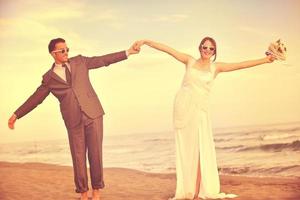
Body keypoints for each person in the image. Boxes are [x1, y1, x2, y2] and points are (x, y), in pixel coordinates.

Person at [137, 37, 276, 199]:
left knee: (200, 150)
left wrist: (266, 60)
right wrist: (146, 42)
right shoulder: (189, 61)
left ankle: (196, 193)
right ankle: (189, 189)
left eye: (211, 49)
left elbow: (241, 65)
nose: (207, 51)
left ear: (214, 51)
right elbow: (168, 49)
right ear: (200, 48)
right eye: (205, 47)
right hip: (183, 109)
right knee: (188, 150)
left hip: (200, 112)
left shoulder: (216, 67)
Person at [8, 38, 140, 200]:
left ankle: (96, 191)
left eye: (67, 49)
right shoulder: (49, 78)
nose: (66, 53)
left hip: (93, 114)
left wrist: (127, 52)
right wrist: (16, 114)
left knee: (96, 154)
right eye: (62, 50)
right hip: (73, 120)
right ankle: (83, 193)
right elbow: (36, 98)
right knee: (78, 158)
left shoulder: (80, 62)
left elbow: (103, 60)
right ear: (53, 54)